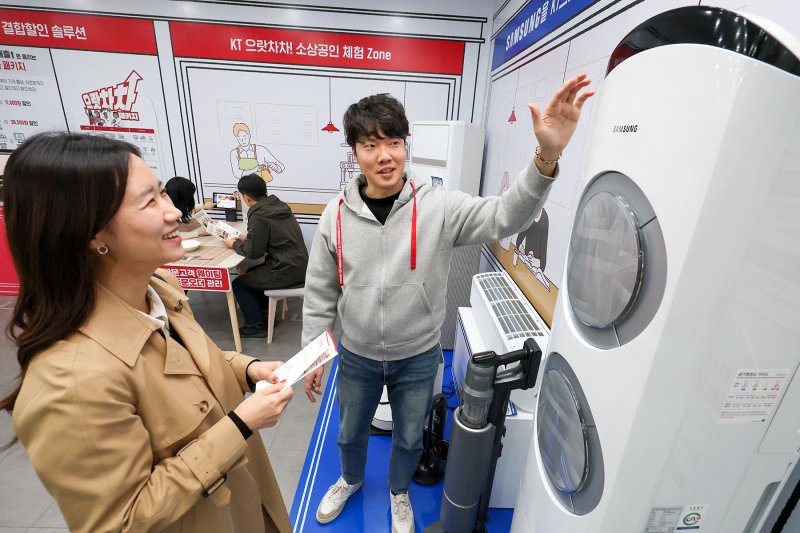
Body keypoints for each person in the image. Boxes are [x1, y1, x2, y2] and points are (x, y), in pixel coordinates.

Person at [301, 74, 594, 532]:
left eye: (394, 142)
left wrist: (546, 158)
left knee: (409, 436)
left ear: (405, 145)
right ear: (355, 152)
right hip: (356, 353)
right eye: (371, 145)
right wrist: (312, 355)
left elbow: (504, 215)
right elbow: (320, 290)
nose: (385, 155)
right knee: (349, 431)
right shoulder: (335, 216)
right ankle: (350, 479)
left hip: (418, 354)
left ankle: (399, 491)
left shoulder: (438, 207)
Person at [0, 133, 295, 533]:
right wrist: (240, 425)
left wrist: (248, 369)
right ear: (91, 234)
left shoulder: (160, 289)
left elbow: (187, 363)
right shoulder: (68, 381)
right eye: (149, 202)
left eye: (163, 193)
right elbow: (121, 520)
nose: (173, 212)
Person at [224, 174, 308, 338]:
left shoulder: (258, 215)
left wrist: (233, 244)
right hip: (300, 265)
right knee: (252, 273)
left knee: (240, 284)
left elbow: (254, 253)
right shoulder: (280, 206)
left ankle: (255, 325)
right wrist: (248, 239)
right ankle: (265, 316)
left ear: (246, 197)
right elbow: (274, 237)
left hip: (285, 269)